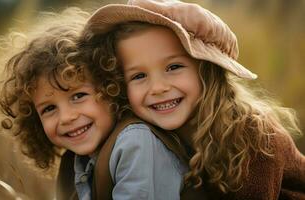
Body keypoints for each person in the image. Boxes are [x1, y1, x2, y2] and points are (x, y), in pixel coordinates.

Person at [78, 0, 305, 199]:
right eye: (138, 76)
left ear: (207, 72)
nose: (157, 88)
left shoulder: (254, 137)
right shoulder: (142, 131)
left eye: (174, 67)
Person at [0, 7, 186, 200]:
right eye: (49, 108)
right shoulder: (76, 160)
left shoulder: (135, 143)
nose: (67, 117)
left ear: (111, 87)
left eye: (78, 96)